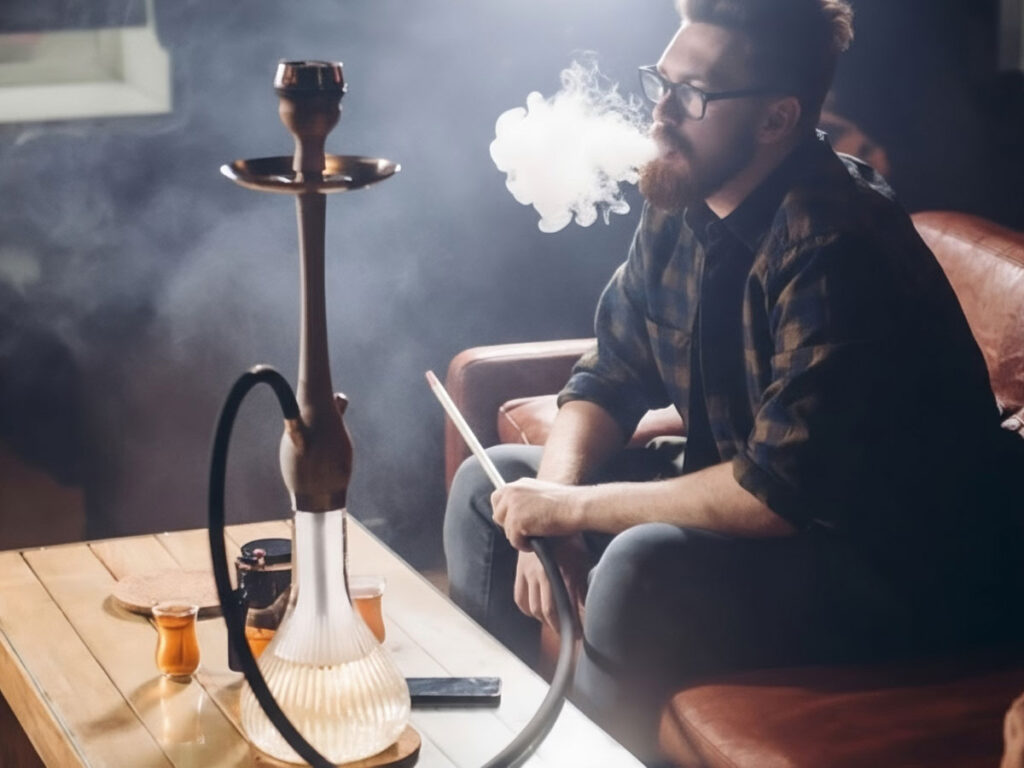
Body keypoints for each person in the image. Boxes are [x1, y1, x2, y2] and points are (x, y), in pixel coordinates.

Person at [444, 0, 1023, 763]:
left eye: (694, 94)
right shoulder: (681, 195)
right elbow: (610, 370)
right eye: (663, 80)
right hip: (789, 523)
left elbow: (774, 493)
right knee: (492, 494)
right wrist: (541, 515)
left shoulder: (835, 241)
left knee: (637, 570)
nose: (660, 111)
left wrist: (572, 508)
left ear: (777, 119)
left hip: (904, 569)